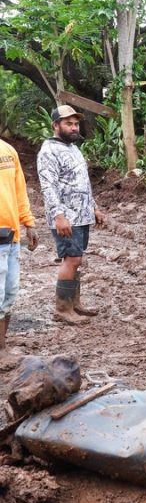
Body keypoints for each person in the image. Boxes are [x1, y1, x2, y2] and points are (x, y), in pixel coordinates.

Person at [37, 105, 106, 325]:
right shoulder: (49, 151)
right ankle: (63, 308)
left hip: (81, 215)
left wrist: (94, 207)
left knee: (77, 260)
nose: (74, 127)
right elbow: (48, 188)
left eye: (76, 123)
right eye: (68, 123)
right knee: (72, 259)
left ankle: (75, 303)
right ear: (55, 125)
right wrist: (58, 216)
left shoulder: (74, 149)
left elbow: (82, 183)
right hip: (66, 217)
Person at [0, 138, 38, 365]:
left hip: (11, 237)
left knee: (10, 292)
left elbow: (19, 191)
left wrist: (29, 222)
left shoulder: (7, 150)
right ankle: (1, 351)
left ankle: (2, 345)